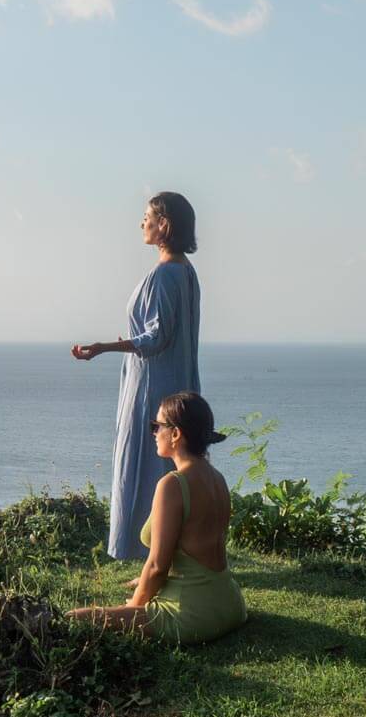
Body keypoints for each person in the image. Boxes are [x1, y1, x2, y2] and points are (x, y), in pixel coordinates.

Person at [72, 191, 202, 564]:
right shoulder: (186, 273)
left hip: (153, 387)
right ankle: (168, 547)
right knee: (170, 466)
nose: (142, 223)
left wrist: (105, 348)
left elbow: (157, 337)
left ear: (164, 225)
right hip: (176, 383)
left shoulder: (165, 275)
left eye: (147, 216)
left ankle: (143, 549)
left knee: (145, 462)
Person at [66, 391, 246, 642]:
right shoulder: (217, 478)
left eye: (157, 425)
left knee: (76, 617)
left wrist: (133, 608)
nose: (153, 432)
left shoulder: (173, 484)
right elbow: (194, 551)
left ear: (175, 434)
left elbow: (158, 567)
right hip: (231, 604)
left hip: (194, 616)